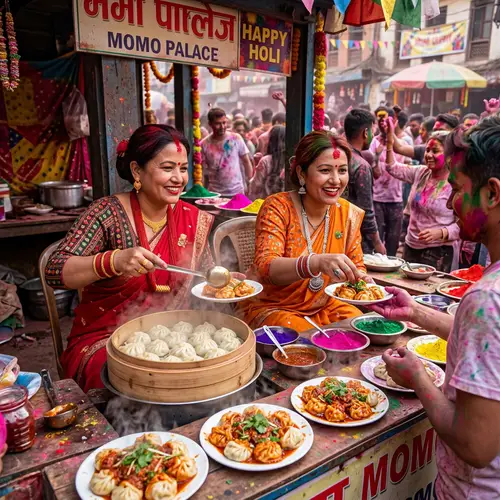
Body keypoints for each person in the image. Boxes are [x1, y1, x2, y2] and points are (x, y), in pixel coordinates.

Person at [370, 117, 500, 498]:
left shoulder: (486, 299)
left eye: (457, 189)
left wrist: (417, 376)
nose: (448, 201)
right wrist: (416, 313)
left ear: (492, 194)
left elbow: (476, 445)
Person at [45, 125, 214, 391]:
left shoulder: (192, 217)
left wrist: (226, 282)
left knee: (207, 371)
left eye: (183, 168)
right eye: (168, 168)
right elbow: (54, 270)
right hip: (107, 339)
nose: (179, 178)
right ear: (137, 171)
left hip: (175, 334)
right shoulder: (107, 213)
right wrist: (112, 261)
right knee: (133, 382)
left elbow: (206, 277)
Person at [240, 131, 369, 331]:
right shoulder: (278, 207)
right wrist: (315, 262)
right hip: (275, 307)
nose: (336, 180)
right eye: (325, 171)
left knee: (357, 324)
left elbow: (357, 265)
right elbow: (266, 267)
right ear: (302, 173)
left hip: (325, 305)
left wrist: (361, 280)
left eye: (342, 171)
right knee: (299, 334)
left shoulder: (347, 213)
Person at [385, 119, 459, 271]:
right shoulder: (421, 172)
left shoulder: (456, 183)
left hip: (438, 252)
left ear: (449, 155)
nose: (429, 155)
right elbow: (392, 167)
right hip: (411, 246)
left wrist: (440, 233)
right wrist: (389, 140)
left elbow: (463, 224)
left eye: (435, 151)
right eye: (427, 150)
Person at [344, 109, 386, 255]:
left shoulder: (336, 156)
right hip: (354, 238)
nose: (373, 136)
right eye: (373, 132)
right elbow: (366, 211)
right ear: (365, 133)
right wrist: (378, 243)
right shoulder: (361, 166)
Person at [201, 108, 253, 197]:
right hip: (215, 194)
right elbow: (202, 171)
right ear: (210, 124)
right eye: (218, 123)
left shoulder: (236, 138)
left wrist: (250, 182)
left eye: (224, 122)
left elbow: (246, 161)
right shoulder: (204, 144)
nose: (222, 127)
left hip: (237, 193)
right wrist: (203, 191)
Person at [248, 125, 285, 200]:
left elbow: (256, 185)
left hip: (265, 203)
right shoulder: (289, 160)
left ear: (271, 140)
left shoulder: (266, 161)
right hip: (283, 202)